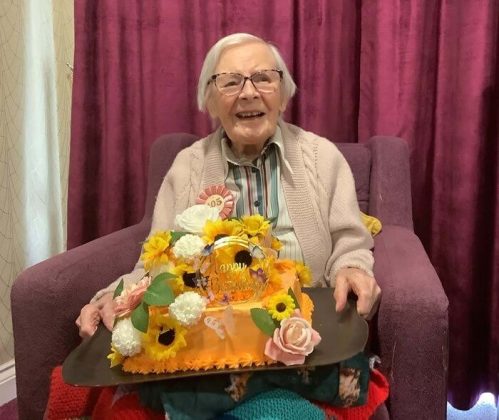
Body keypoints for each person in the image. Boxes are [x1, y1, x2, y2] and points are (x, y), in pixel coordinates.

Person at [68, 32, 384, 419]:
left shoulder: (323, 158)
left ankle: (200, 401)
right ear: (210, 100)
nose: (248, 93)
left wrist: (352, 267)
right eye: (231, 82)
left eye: (263, 78)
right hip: (210, 343)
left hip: (301, 332)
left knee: (166, 394)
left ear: (283, 93)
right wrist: (116, 298)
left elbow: (349, 241)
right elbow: (155, 262)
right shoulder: (187, 167)